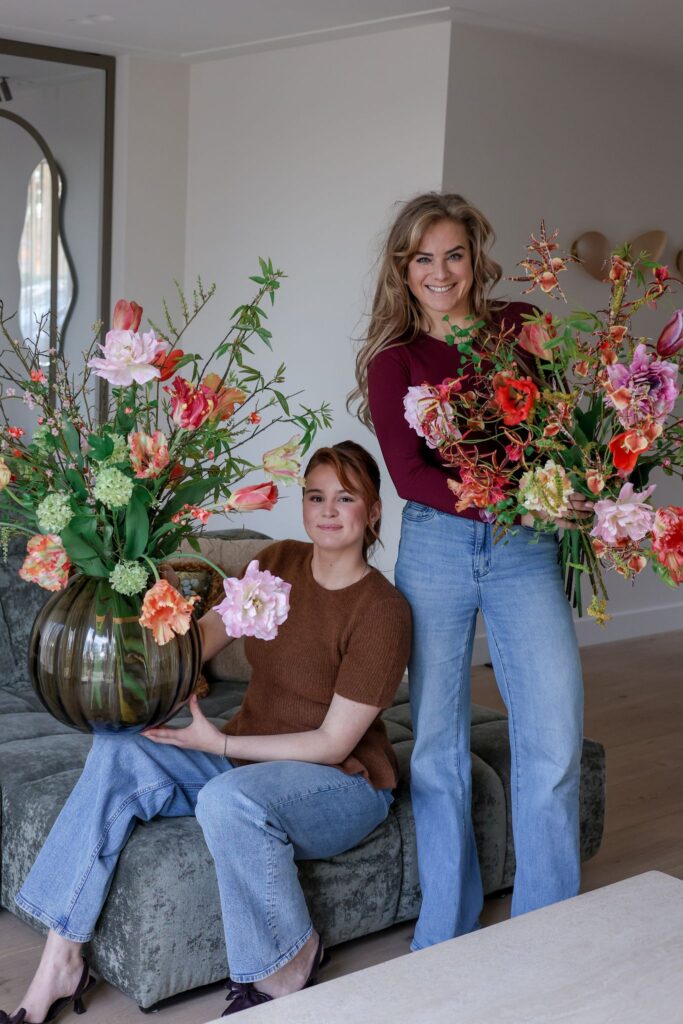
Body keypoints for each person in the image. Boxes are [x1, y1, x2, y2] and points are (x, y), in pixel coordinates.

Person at [6, 441, 411, 1021]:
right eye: (315, 496)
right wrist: (142, 620)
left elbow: (332, 744)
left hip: (341, 784)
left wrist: (218, 743)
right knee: (119, 748)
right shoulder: (278, 563)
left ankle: (287, 962)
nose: (327, 510)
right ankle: (61, 959)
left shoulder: (382, 610)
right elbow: (196, 646)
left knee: (227, 799)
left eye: (345, 499)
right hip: (249, 763)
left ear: (373, 512)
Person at [349, 192, 589, 951]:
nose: (441, 272)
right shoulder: (394, 360)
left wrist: (573, 488)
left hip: (525, 549)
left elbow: (562, 432)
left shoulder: (521, 326)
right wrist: (510, 497)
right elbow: (410, 476)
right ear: (403, 268)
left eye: (453, 254)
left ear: (474, 258)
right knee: (437, 746)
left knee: (554, 734)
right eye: (423, 258)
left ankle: (545, 927)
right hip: (438, 548)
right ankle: (445, 934)